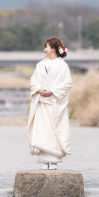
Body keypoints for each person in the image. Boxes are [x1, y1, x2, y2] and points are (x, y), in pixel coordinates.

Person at [27, 37, 73, 170]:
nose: (44, 50)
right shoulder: (40, 64)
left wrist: (52, 91)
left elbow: (67, 83)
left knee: (54, 129)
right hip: (41, 102)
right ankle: (44, 160)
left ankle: (54, 160)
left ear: (53, 49)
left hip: (54, 103)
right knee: (42, 129)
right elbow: (33, 80)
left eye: (46, 47)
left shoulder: (62, 65)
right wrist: (38, 89)